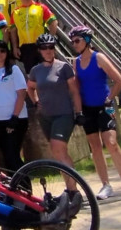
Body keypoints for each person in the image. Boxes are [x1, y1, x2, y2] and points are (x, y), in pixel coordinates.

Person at [71, 25, 121, 201]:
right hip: (87, 109)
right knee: (95, 147)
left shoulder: (98, 57)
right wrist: (78, 111)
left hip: (103, 107)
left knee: (111, 143)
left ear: (86, 40)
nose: (74, 44)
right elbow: (77, 88)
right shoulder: (76, 62)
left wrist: (109, 98)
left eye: (77, 40)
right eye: (72, 41)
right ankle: (106, 185)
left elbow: (119, 80)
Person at [28, 34, 84, 171]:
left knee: (58, 147)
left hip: (63, 114)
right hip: (45, 117)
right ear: (39, 50)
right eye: (44, 47)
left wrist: (79, 112)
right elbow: (29, 87)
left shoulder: (64, 67)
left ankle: (74, 188)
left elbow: (75, 91)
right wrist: (35, 101)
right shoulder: (36, 70)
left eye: (51, 47)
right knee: (58, 152)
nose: (48, 50)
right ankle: (70, 189)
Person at [0, 40, 29, 173]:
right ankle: (13, 190)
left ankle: (25, 187)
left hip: (15, 119)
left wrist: (14, 118)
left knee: (13, 155)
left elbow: (22, 94)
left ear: (7, 53)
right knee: (5, 157)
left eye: (2, 50)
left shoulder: (14, 70)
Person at [11, 0, 58, 73]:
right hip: (25, 47)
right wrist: (15, 47)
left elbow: (53, 22)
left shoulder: (41, 7)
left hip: (40, 45)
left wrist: (50, 39)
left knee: (46, 70)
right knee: (31, 73)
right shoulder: (15, 12)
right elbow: (13, 31)